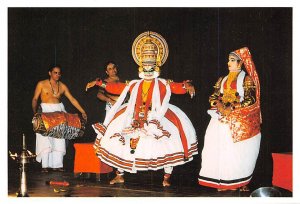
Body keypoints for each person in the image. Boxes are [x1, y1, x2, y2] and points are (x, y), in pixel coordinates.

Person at [86, 31, 198, 187]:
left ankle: (166, 176)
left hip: (157, 115)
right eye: (145, 65)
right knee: (122, 142)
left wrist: (187, 85)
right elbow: (117, 87)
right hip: (134, 114)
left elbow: (177, 87)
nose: (147, 68)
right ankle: (120, 174)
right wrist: (100, 83)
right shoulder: (134, 84)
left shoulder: (163, 83)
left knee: (164, 144)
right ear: (140, 65)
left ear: (156, 65)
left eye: (150, 65)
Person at [198, 47, 262, 191]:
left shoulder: (247, 78)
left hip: (239, 119)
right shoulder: (222, 79)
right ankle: (222, 180)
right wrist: (219, 105)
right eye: (228, 60)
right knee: (216, 147)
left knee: (238, 151)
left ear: (240, 63)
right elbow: (213, 96)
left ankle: (239, 181)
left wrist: (232, 108)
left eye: (232, 60)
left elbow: (250, 99)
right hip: (220, 116)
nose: (229, 62)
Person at [32, 65, 87, 172]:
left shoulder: (62, 86)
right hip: (45, 111)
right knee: (45, 139)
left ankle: (57, 165)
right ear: (50, 73)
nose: (57, 75)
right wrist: (35, 113)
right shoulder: (41, 84)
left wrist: (82, 111)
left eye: (59, 73)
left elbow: (72, 99)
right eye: (55, 72)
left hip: (59, 112)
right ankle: (45, 166)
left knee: (59, 138)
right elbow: (35, 99)